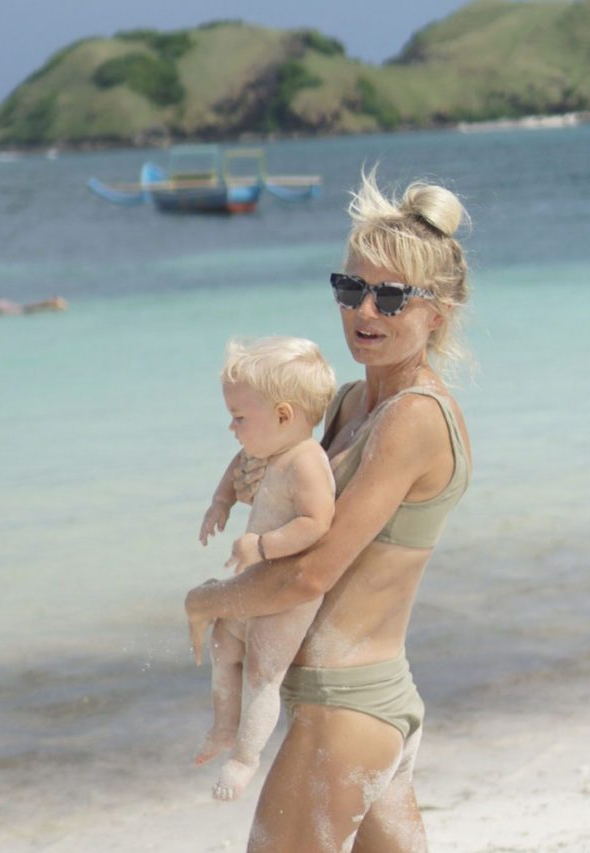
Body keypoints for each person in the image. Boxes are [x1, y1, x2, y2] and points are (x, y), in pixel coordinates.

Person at [186, 169, 473, 852]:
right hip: (358, 702)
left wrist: (210, 601)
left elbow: (311, 573)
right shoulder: (348, 403)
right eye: (351, 288)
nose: (364, 311)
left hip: (347, 706)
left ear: (437, 311)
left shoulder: (414, 419)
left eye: (391, 296)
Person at [197, 336, 337, 802]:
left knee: (262, 669)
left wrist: (263, 543)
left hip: (287, 593)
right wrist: (220, 502)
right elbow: (235, 471)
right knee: (224, 638)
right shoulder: (264, 453)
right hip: (257, 580)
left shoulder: (306, 463)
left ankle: (245, 757)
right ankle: (221, 726)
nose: (231, 427)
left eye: (239, 417)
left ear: (283, 415)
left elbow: (317, 523)